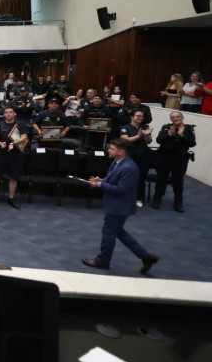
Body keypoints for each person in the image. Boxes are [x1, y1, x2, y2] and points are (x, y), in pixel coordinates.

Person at [82, 138, 159, 274]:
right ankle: (146, 257)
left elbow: (121, 189)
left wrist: (100, 185)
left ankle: (103, 260)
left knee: (109, 232)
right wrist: (101, 180)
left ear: (121, 151)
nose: (109, 150)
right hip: (116, 205)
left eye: (112, 148)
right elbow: (113, 178)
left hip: (120, 206)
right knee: (118, 232)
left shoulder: (129, 168)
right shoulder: (117, 162)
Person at [152, 111, 195, 213]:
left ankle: (178, 203)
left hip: (180, 158)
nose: (176, 118)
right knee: (161, 178)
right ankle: (157, 199)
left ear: (182, 117)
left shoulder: (189, 128)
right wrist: (169, 135)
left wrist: (181, 135)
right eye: (173, 117)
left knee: (178, 180)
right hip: (164, 156)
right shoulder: (166, 127)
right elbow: (159, 140)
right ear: (171, 119)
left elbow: (192, 143)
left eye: (178, 116)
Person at [0, 105, 27, 209]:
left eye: (10, 112)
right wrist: (0, 144)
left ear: (14, 114)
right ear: (4, 114)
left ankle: (11, 198)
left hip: (15, 154)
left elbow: (24, 137)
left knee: (13, 177)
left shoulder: (20, 124)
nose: (8, 114)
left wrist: (14, 143)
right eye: (6, 112)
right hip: (1, 153)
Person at [120, 108, 154, 207]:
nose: (140, 118)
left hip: (144, 155)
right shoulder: (125, 128)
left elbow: (148, 142)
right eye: (138, 116)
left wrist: (147, 135)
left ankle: (138, 198)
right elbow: (125, 141)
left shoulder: (145, 127)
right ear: (132, 117)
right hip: (130, 155)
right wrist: (138, 136)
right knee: (128, 177)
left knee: (141, 177)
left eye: (142, 116)